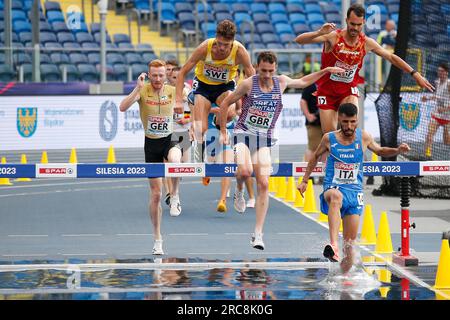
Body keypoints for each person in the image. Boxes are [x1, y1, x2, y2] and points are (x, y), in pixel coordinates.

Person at [219, 51, 344, 250]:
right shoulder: (248, 84)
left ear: (275, 68)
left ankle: (258, 234)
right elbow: (225, 103)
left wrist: (327, 70)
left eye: (270, 71)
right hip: (243, 133)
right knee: (244, 171)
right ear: (257, 67)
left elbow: (303, 81)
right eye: (263, 70)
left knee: (264, 182)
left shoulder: (282, 82)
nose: (267, 75)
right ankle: (240, 190)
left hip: (263, 138)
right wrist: (224, 131)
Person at [297, 103, 411, 273]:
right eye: (345, 122)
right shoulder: (329, 138)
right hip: (333, 186)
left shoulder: (363, 137)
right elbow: (314, 157)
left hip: (355, 193)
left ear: (357, 120)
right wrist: (305, 180)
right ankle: (334, 245)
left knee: (350, 251)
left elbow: (380, 151)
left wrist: (397, 150)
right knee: (335, 197)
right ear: (339, 121)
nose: (349, 126)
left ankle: (340, 278)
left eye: (352, 122)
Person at [294, 3, 435, 135]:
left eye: (359, 25)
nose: (355, 28)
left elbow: (391, 58)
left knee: (350, 127)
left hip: (348, 90)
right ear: (346, 20)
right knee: (330, 137)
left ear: (364, 23)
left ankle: (355, 154)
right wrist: (319, 32)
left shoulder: (367, 43)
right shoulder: (333, 37)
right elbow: (299, 40)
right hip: (326, 91)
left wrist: (415, 74)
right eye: (352, 24)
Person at [119, 59, 183, 255]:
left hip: (170, 138)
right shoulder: (143, 90)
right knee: (155, 194)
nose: (157, 79)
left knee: (175, 160)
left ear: (166, 75)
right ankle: (157, 239)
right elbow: (122, 107)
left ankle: (175, 196)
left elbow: (193, 104)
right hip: (151, 145)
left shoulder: (173, 91)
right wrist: (136, 89)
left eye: (161, 75)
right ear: (148, 75)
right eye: (154, 75)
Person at [175, 19, 255, 166]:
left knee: (231, 113)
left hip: (224, 87)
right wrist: (179, 100)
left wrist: (253, 100)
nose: (222, 48)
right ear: (216, 37)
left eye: (226, 45)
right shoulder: (205, 47)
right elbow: (182, 72)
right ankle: (204, 145)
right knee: (200, 129)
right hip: (203, 86)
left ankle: (219, 128)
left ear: (233, 41)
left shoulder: (240, 51)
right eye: (219, 43)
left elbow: (251, 75)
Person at [423, 62, 450, 158]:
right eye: (439, 71)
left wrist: (444, 109)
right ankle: (427, 154)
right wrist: (428, 98)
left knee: (446, 141)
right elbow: (437, 96)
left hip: (448, 117)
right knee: (429, 134)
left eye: (442, 71)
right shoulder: (437, 82)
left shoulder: (449, 84)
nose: (440, 73)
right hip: (437, 114)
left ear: (446, 72)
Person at [300, 83, 323, 175]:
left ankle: (323, 174)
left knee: (327, 149)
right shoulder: (311, 86)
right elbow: (303, 101)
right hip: (314, 123)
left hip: (327, 122)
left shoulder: (330, 85)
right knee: (313, 149)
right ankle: (309, 174)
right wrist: (308, 115)